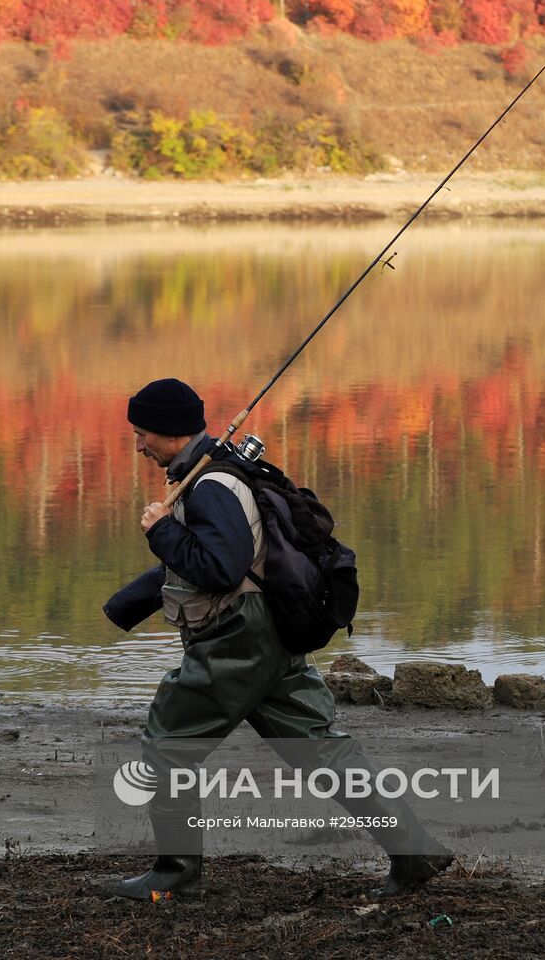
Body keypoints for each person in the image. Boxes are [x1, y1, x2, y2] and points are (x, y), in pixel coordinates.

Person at [101, 377, 453, 901]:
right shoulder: (211, 475)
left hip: (237, 638)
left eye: (142, 433)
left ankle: (175, 874)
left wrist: (160, 530)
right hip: (269, 632)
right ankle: (414, 850)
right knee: (319, 750)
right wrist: (123, 606)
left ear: (171, 432)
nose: (138, 445)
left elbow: (221, 569)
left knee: (168, 745)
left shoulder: (212, 486)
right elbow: (211, 567)